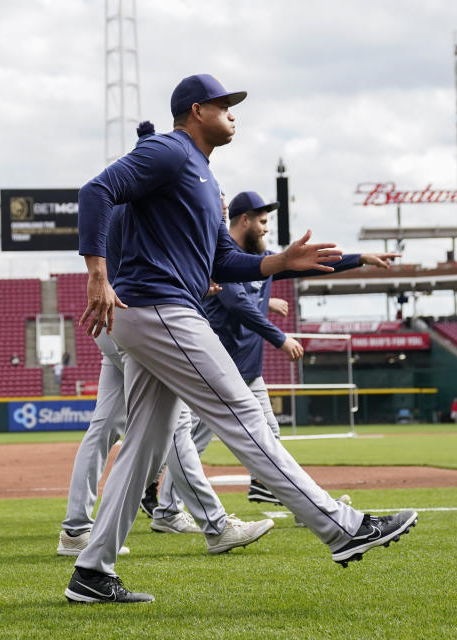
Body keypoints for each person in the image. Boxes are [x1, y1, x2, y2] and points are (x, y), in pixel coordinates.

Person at [65, 73, 418, 604]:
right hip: (161, 308)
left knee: (142, 444)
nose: (234, 114)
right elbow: (97, 190)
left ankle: (91, 571)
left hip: (154, 312)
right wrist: (97, 271)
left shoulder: (203, 177)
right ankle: (341, 528)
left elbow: (223, 262)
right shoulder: (171, 150)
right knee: (244, 415)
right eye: (226, 105)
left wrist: (280, 262)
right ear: (198, 109)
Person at [59, 123, 274, 559]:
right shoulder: (140, 200)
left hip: (116, 318)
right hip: (131, 314)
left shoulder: (129, 203)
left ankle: (76, 530)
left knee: (106, 427)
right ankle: (210, 522)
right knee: (170, 424)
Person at [155, 190, 398, 510]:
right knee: (195, 440)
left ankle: (264, 486)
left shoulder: (262, 260)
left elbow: (307, 265)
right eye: (263, 221)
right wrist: (279, 336)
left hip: (249, 371)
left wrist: (359, 259)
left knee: (269, 430)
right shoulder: (221, 257)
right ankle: (167, 508)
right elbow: (237, 302)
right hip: (218, 368)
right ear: (245, 220)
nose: (267, 228)